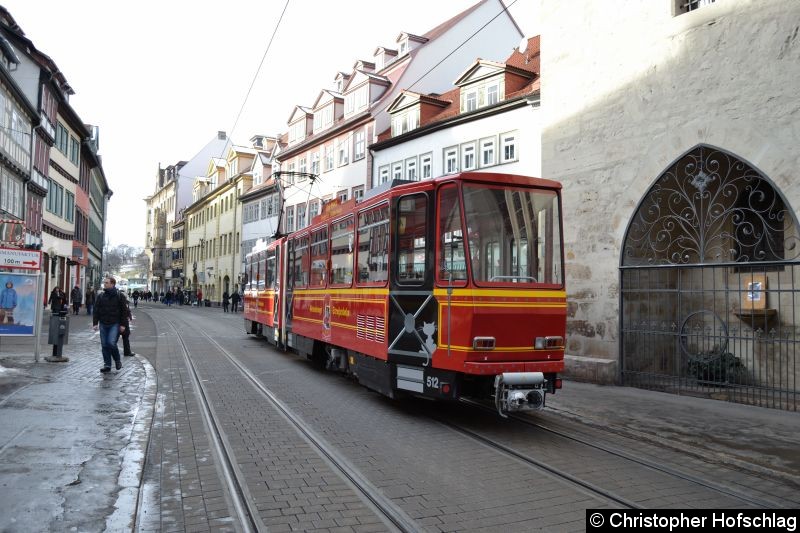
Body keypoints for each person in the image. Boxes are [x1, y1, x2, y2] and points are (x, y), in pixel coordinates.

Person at [92, 276, 128, 373]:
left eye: (107, 282)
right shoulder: (101, 296)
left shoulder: (120, 296)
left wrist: (123, 325)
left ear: (112, 284)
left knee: (111, 343)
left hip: (114, 324)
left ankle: (117, 360)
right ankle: (107, 364)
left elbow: (124, 311)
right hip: (103, 323)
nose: (105, 284)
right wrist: (95, 323)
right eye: (105, 282)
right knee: (104, 345)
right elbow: (96, 310)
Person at [118, 291, 136, 357]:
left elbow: (127, 311)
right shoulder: (120, 302)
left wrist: (130, 316)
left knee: (125, 337)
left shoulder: (125, 302)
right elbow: (125, 311)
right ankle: (126, 352)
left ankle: (127, 352)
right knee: (118, 338)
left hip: (123, 322)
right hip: (121, 322)